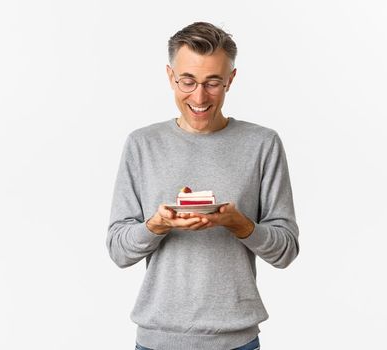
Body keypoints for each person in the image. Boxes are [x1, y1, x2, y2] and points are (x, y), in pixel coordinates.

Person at [106, 22, 300, 350]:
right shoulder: (143, 144)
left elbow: (285, 251)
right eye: (188, 81)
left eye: (213, 82)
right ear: (170, 76)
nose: (199, 97)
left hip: (236, 340)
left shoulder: (262, 144)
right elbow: (119, 251)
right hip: (157, 339)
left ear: (231, 80)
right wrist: (156, 225)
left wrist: (240, 225)